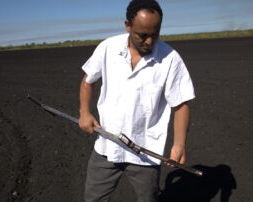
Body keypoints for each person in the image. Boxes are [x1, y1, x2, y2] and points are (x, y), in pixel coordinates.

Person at [79, 0, 195, 201]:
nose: (149, 41)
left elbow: (181, 104)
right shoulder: (108, 48)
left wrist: (179, 145)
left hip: (146, 154)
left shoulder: (171, 59)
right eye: (142, 35)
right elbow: (87, 81)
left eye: (155, 34)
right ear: (128, 26)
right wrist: (84, 112)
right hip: (106, 147)